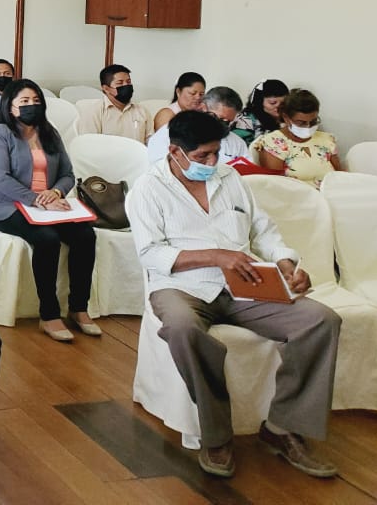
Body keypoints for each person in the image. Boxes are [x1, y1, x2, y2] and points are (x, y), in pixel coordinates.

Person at [127, 111, 341, 480]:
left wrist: (286, 263)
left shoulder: (230, 178)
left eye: (216, 153)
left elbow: (263, 231)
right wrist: (215, 256)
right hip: (182, 286)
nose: (212, 163)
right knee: (183, 328)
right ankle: (216, 436)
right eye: (203, 156)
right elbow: (150, 253)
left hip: (245, 284)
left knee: (320, 320)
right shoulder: (147, 188)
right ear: (175, 152)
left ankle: (283, 427)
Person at [0, 80, 99, 341]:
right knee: (47, 239)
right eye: (24, 101)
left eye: (35, 101)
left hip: (48, 205)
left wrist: (55, 192)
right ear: (10, 107)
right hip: (8, 206)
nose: (31, 106)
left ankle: (79, 308)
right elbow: (0, 179)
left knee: (85, 235)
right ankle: (49, 314)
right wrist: (36, 199)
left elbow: (67, 173)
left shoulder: (49, 132)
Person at [253, 88, 343, 187]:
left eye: (313, 121)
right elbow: (276, 185)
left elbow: (340, 175)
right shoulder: (273, 143)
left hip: (331, 191)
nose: (308, 126)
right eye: (301, 122)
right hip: (296, 194)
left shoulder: (326, 139)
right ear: (286, 118)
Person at [147, 86, 250, 164]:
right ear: (203, 108)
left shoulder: (237, 143)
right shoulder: (171, 132)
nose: (223, 125)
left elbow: (249, 173)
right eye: (220, 119)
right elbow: (159, 168)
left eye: (228, 122)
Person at [74, 63, 150, 144]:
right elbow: (89, 144)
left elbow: (150, 141)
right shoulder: (94, 112)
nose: (126, 86)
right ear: (106, 88)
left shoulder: (142, 111)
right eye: (120, 83)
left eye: (128, 82)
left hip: (138, 152)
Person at [232, 79, 289, 144]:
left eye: (283, 103)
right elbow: (235, 146)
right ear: (259, 102)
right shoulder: (245, 121)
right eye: (272, 103)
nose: (279, 106)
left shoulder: (288, 116)